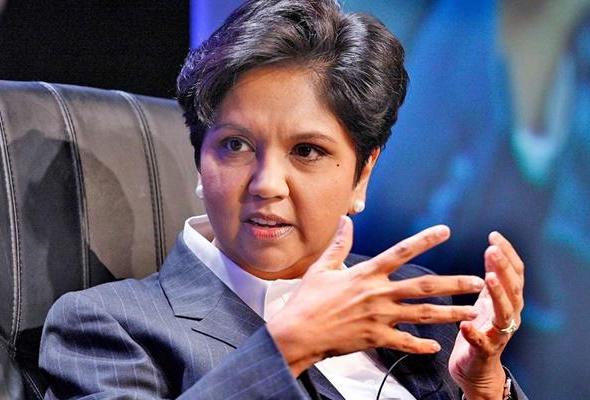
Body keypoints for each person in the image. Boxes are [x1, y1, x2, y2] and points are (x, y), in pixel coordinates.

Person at [39, 0, 528, 399]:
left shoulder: (411, 300)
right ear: (199, 161)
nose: (267, 184)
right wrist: (291, 345)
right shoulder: (110, 326)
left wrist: (483, 387)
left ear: (362, 175)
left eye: (307, 151)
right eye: (235, 145)